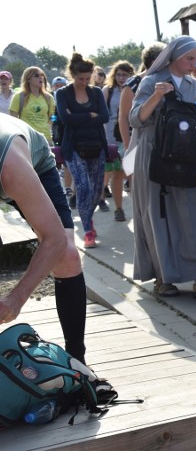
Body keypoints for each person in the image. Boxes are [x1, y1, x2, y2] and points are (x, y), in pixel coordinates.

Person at [129, 36, 196, 298]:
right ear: (173, 58)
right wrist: (156, 96)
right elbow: (136, 119)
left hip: (185, 155)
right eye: (189, 58)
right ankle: (163, 277)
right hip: (155, 154)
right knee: (159, 215)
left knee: (192, 212)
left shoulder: (193, 85)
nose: (194, 64)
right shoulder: (151, 81)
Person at [0, 115, 88, 363]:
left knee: (67, 257)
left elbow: (54, 239)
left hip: (33, 163)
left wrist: (15, 299)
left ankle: (77, 359)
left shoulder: (11, 170)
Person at [54, 54, 108, 249]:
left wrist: (77, 115)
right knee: (83, 187)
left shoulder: (96, 93)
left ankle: (88, 218)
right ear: (72, 75)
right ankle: (87, 230)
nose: (84, 82)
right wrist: (89, 114)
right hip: (73, 147)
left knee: (95, 191)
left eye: (87, 78)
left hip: (96, 145)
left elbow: (104, 117)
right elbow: (65, 119)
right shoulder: (62, 94)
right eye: (80, 79)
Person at [101, 61, 134, 222]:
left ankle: (139, 208)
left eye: (125, 74)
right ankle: (119, 208)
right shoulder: (108, 91)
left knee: (132, 173)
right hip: (111, 138)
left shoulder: (135, 89)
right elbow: (101, 114)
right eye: (119, 74)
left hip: (131, 136)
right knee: (117, 174)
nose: (121, 78)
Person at [10, 67, 55, 144]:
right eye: (36, 75)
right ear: (28, 79)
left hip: (45, 138)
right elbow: (13, 120)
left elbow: (53, 117)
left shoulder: (49, 97)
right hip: (26, 138)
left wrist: (48, 126)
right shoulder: (19, 96)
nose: (41, 77)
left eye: (42, 75)